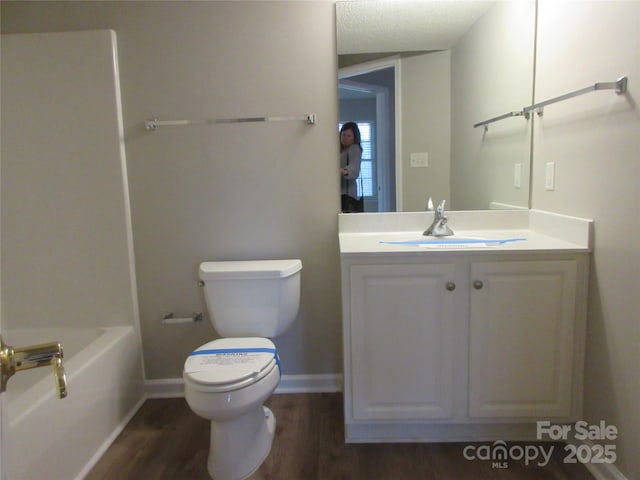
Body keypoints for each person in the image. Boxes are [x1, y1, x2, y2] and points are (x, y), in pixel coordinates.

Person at [339, 122, 363, 212]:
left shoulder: (354, 148)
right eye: (343, 134)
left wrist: (344, 171)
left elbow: (354, 167)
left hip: (347, 193)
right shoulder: (340, 149)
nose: (345, 138)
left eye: (349, 136)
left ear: (354, 138)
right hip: (342, 193)